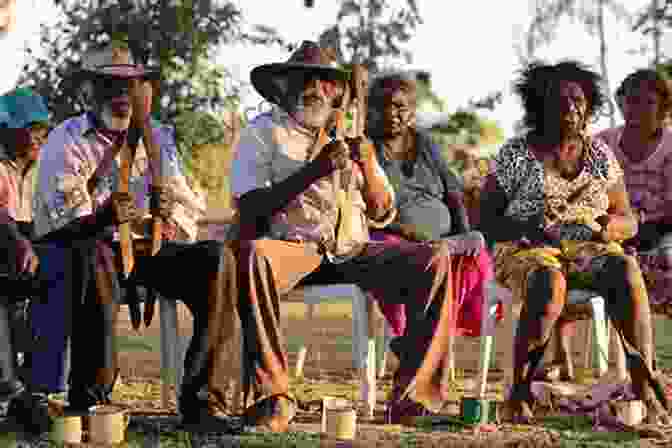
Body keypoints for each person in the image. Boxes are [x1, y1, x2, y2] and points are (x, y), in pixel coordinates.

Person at [231, 41, 490, 432]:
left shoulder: (350, 134)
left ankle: (412, 399)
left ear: (336, 92)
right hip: (294, 248)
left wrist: (368, 165)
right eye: (304, 79)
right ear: (285, 86)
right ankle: (275, 398)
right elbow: (250, 207)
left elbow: (383, 212)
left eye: (325, 81)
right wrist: (313, 171)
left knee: (434, 257)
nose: (315, 88)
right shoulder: (263, 132)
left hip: (354, 250)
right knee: (253, 255)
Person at [31, 42, 239, 430]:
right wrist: (105, 215)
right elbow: (67, 220)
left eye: (130, 86)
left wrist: (169, 215)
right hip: (92, 250)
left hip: (151, 251)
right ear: (89, 92)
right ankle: (92, 401)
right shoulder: (68, 137)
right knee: (94, 253)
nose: (121, 96)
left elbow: (185, 203)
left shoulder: (158, 136)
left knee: (216, 259)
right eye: (110, 86)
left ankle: (204, 403)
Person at [479, 60, 669, 425]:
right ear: (540, 105)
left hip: (589, 246)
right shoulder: (517, 154)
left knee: (625, 269)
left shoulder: (599, 154)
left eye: (579, 100)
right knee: (549, 284)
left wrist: (608, 228)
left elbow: (627, 219)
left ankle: (645, 384)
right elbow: (486, 219)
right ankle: (517, 392)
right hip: (526, 248)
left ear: (590, 104)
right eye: (560, 100)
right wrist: (528, 226)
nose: (572, 108)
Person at [365, 71, 496, 340]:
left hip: (444, 240)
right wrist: (410, 233)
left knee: (476, 257)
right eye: (383, 106)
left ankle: (434, 332)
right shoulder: (364, 149)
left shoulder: (424, 142)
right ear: (370, 110)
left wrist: (462, 232)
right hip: (392, 235)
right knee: (408, 261)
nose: (391, 113)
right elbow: (363, 210)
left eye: (399, 106)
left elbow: (453, 192)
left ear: (411, 110)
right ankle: (420, 339)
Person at [596, 70, 672, 320]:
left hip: (661, 233)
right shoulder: (602, 144)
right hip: (610, 232)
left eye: (648, 102)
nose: (639, 109)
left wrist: (640, 223)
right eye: (632, 101)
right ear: (621, 104)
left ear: (663, 107)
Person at [0, 89, 52, 435]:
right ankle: (10, 389)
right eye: (29, 128)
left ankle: (37, 388)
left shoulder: (42, 167)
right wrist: (19, 243)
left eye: (40, 129)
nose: (37, 136)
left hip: (33, 253)